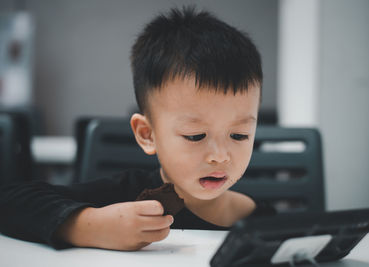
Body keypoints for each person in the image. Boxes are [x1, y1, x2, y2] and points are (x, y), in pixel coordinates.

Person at [0, 6, 275, 251]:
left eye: (239, 135)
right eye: (196, 136)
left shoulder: (261, 219)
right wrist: (91, 226)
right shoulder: (124, 197)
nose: (220, 156)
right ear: (147, 134)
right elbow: (9, 203)